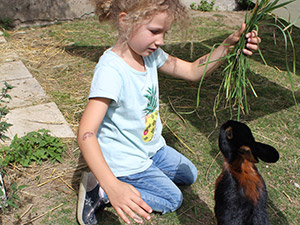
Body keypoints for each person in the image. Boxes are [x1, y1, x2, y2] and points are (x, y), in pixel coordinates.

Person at [76, 0, 261, 224]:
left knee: (189, 174)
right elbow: (86, 133)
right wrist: (113, 187)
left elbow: (193, 71)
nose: (160, 41)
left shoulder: (150, 55)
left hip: (151, 149)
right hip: (125, 160)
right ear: (125, 22)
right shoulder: (111, 71)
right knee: (172, 198)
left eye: (164, 33)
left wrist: (227, 46)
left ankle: (142, 175)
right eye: (154, 31)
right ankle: (99, 190)